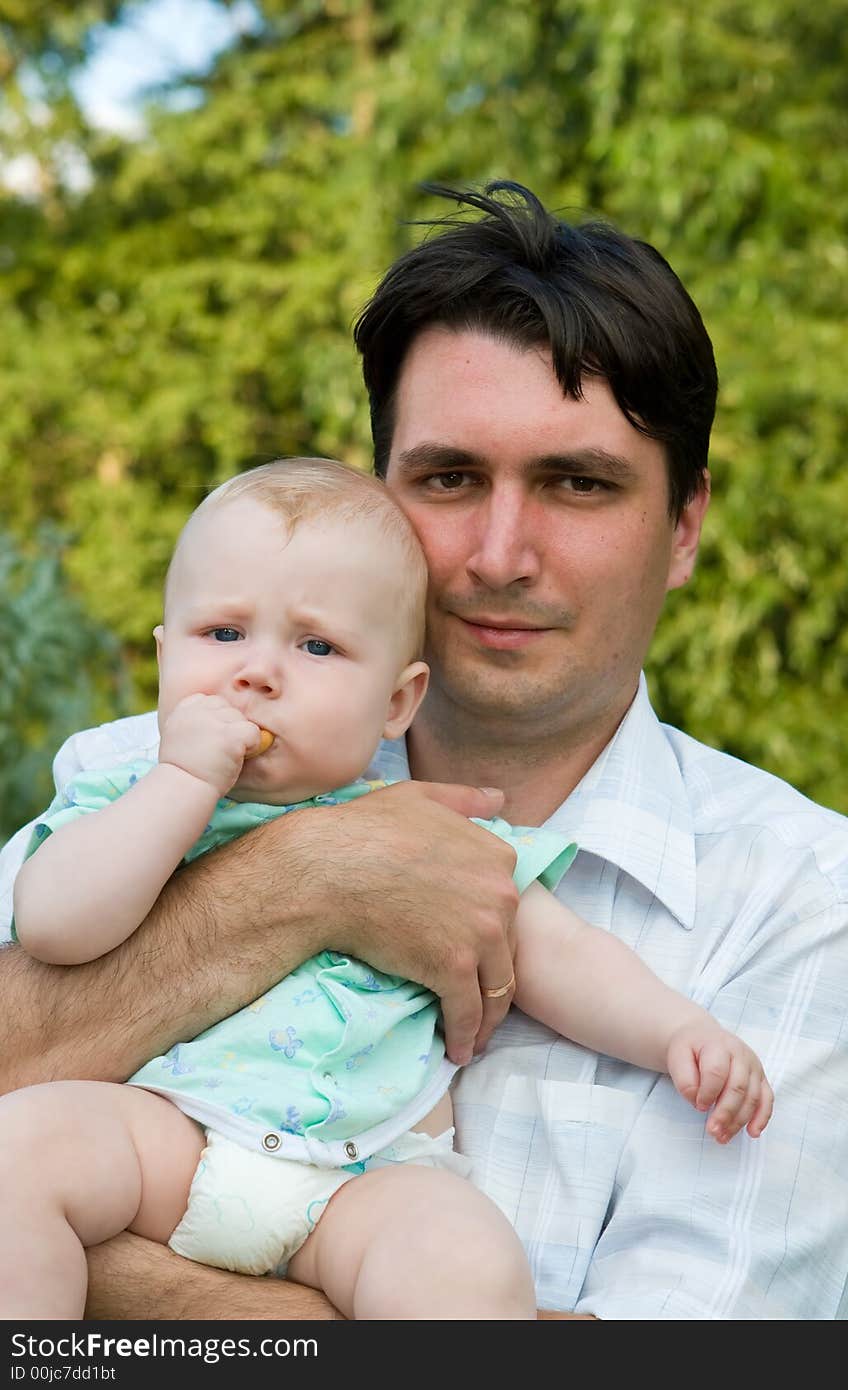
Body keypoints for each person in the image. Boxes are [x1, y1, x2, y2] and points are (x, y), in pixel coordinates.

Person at [1, 181, 848, 1319]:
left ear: (684, 527)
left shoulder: (815, 908)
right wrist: (308, 884)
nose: (499, 554)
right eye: (449, 478)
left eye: (578, 483)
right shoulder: (150, 766)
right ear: (381, 497)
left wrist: (137, 1292)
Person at [0, 456, 772, 1321]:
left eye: (317, 645)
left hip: (363, 1179)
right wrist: (179, 787)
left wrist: (678, 1031)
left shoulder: (438, 840)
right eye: (221, 635)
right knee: (15, 1157)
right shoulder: (122, 794)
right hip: (166, 1137)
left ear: (398, 701)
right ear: (162, 650)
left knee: (465, 1262)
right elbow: (54, 925)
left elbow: (563, 953)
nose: (256, 673)